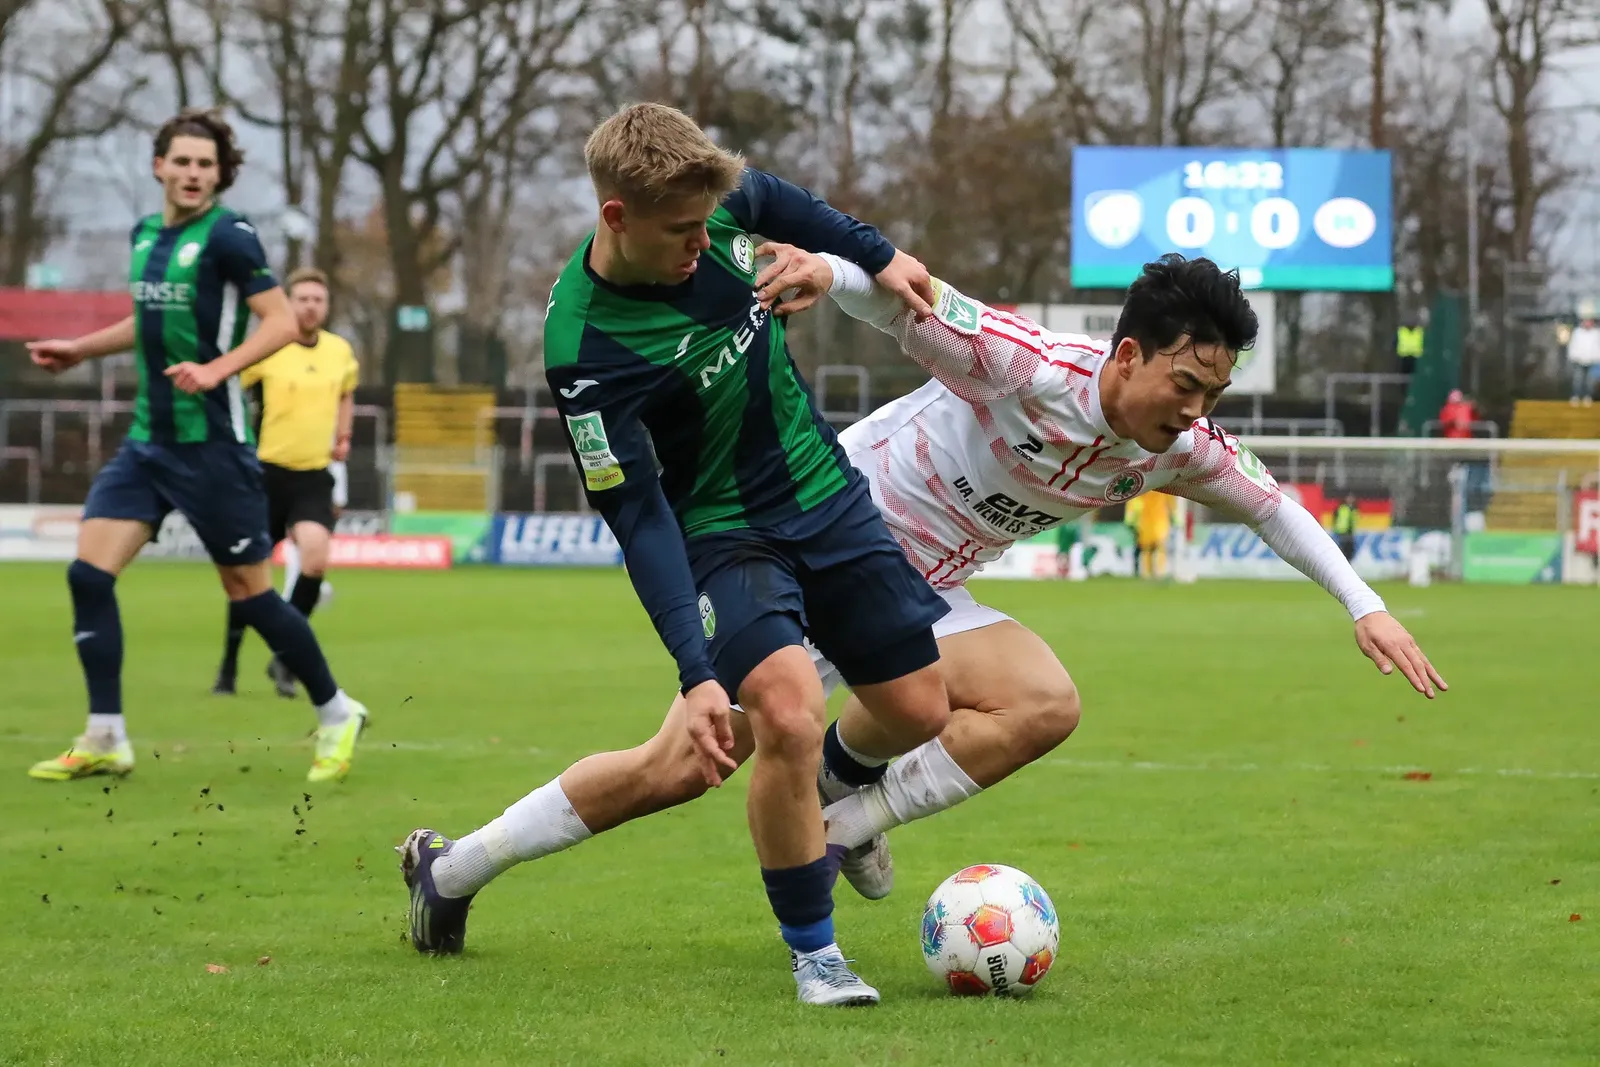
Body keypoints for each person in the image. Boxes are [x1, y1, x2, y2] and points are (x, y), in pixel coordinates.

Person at [397, 252, 1446, 979]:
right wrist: (829, 270)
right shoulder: (1028, 366)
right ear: (1128, 354)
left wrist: (1366, 605)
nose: (1196, 409)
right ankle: (451, 870)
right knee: (680, 764)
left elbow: (1273, 506)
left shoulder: (1177, 448)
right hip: (818, 547)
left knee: (1043, 702)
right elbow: (910, 299)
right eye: (1185, 382)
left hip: (924, 592)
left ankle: (846, 817)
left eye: (1212, 393)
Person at [399, 103, 951, 1007]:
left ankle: (454, 868)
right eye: (683, 230)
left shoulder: (717, 206)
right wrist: (696, 673)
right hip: (722, 533)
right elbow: (637, 511)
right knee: (787, 714)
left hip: (823, 489)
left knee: (919, 708)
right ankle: (817, 956)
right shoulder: (584, 349)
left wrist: (878, 256)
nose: (706, 241)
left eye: (709, 223)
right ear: (616, 217)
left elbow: (785, 200)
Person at [22, 109, 368, 785]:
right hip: (148, 442)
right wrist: (80, 350)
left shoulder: (230, 235)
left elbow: (278, 321)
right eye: (181, 161)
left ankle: (336, 711)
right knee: (88, 575)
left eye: (205, 165)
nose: (192, 173)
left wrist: (217, 369)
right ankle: (105, 736)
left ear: (219, 175)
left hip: (213, 447)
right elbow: (148, 318)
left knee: (250, 596)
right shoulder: (145, 234)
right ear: (159, 166)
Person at [214, 266, 357, 698]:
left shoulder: (339, 351)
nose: (311, 306)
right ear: (289, 304)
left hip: (313, 475)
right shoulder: (268, 347)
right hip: (265, 474)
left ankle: (285, 656)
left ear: (326, 306)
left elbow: (346, 392)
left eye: (318, 299)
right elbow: (229, 386)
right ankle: (228, 667)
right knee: (247, 574)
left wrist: (343, 434)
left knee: (314, 560)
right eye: (303, 299)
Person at [1136, 491, 1177, 578]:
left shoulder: (1164, 487)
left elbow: (1171, 500)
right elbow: (1136, 500)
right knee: (1147, 548)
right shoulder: (1144, 486)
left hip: (1160, 520)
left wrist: (1174, 514)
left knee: (1160, 546)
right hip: (1146, 520)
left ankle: (1160, 572)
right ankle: (1147, 573)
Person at [1566, 311, 1600, 406]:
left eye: (1590, 321)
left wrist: (1597, 358)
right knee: (1578, 380)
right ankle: (1575, 396)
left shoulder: (1597, 333)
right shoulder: (1577, 332)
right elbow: (1573, 345)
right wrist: (1573, 356)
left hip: (1592, 360)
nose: (1588, 323)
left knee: (1590, 381)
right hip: (1579, 360)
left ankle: (1587, 397)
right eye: (1586, 321)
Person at [1332, 493, 1359, 562]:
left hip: (1350, 533)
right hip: (1341, 532)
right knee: (1341, 550)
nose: (1350, 499)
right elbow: (1335, 518)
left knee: (1349, 551)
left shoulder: (1354, 509)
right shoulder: (1342, 508)